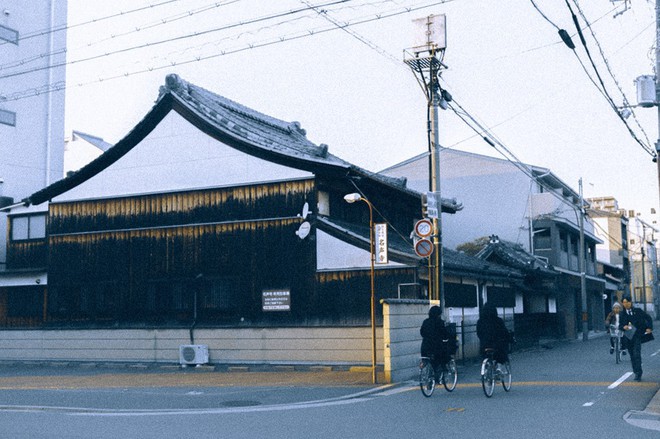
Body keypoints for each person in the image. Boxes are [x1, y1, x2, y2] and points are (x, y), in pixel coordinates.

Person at [619, 296, 653, 381]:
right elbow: (620, 325)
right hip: (628, 337)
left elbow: (648, 318)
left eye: (627, 302)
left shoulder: (638, 311)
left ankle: (638, 373)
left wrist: (649, 328)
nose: (626, 304)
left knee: (636, 354)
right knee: (632, 356)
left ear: (631, 302)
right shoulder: (622, 314)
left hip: (637, 336)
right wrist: (624, 327)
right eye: (624, 302)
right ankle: (635, 371)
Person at [420, 305, 450, 383]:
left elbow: (422, 332)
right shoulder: (440, 322)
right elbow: (445, 334)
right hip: (436, 347)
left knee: (427, 360)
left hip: (425, 347)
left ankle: (428, 377)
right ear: (438, 314)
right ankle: (441, 375)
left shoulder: (425, 321)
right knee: (444, 357)